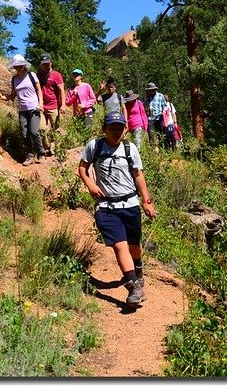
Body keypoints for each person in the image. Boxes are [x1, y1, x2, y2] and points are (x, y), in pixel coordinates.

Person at [78, 111, 156, 306]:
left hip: (130, 204)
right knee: (119, 245)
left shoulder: (130, 149)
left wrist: (146, 201)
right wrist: (90, 184)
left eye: (120, 128)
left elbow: (138, 175)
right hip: (106, 206)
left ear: (125, 129)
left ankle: (137, 269)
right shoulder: (94, 146)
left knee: (133, 246)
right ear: (104, 129)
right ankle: (133, 286)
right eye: (112, 127)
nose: (116, 131)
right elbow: (82, 168)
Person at [0, 54, 45, 166]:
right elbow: (12, 95)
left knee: (34, 131)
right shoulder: (14, 79)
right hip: (22, 110)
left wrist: (41, 103)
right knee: (24, 134)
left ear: (24, 65)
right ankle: (30, 155)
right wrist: (2, 97)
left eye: (20, 65)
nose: (18, 68)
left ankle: (41, 152)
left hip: (34, 108)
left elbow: (39, 90)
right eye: (16, 66)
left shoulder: (31, 75)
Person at [37, 53, 65, 156]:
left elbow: (62, 90)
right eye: (44, 64)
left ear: (51, 63)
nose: (46, 66)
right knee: (41, 128)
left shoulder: (56, 75)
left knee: (55, 129)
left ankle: (54, 149)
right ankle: (46, 146)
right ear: (41, 65)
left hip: (54, 106)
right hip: (41, 106)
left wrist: (63, 105)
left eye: (47, 64)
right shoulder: (38, 75)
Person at [143, 82, 168, 147]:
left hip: (159, 118)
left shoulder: (160, 96)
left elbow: (165, 106)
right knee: (151, 135)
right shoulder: (147, 98)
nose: (151, 91)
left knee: (161, 134)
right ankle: (153, 149)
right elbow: (144, 107)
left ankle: (164, 148)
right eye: (149, 90)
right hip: (150, 119)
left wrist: (163, 112)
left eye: (152, 90)